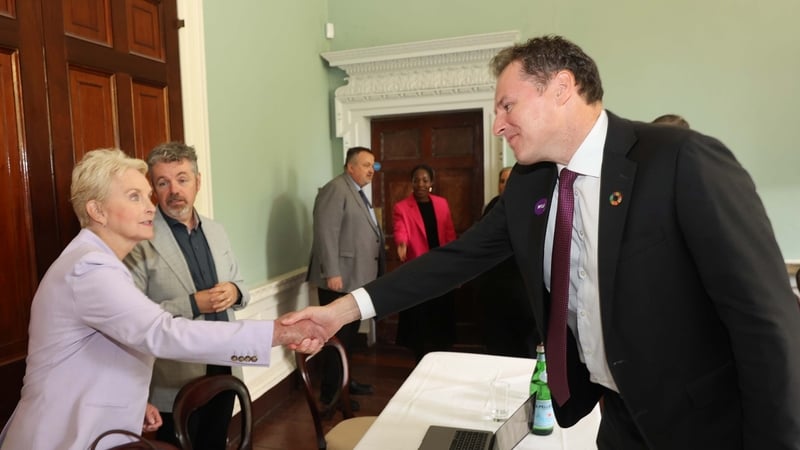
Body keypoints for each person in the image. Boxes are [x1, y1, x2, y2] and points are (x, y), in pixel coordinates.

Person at [285, 35, 800, 449]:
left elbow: (767, 321)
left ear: (561, 87)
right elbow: (454, 260)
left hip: (707, 425)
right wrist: (343, 311)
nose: (496, 125)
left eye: (507, 104)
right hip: (618, 422)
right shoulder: (531, 186)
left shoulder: (680, 160)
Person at [0, 149, 324, 450]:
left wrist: (133, 398)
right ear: (97, 210)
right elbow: (161, 332)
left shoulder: (99, 261)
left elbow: (99, 351)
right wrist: (278, 332)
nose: (150, 206)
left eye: (146, 195)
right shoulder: (89, 268)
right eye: (134, 196)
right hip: (61, 434)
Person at [123, 142, 248, 447]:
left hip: (226, 363)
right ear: (154, 188)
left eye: (182, 179)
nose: (174, 190)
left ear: (198, 182)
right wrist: (193, 304)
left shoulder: (217, 230)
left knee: (216, 442)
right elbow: (134, 317)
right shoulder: (140, 240)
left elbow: (241, 284)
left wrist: (234, 291)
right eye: (163, 183)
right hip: (176, 376)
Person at [306, 146, 384, 408]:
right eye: (365, 165)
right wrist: (332, 272)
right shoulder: (336, 189)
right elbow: (326, 232)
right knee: (336, 339)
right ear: (350, 167)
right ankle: (332, 395)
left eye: (373, 165)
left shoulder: (358, 193)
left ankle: (345, 383)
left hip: (356, 277)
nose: (371, 170)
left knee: (349, 339)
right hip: (339, 279)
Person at [393, 164, 457, 361]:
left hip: (440, 267)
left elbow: (449, 233)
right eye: (416, 180)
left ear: (431, 183)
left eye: (425, 180)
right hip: (418, 269)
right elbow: (400, 228)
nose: (420, 184)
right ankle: (419, 356)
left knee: (440, 312)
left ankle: (441, 354)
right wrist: (401, 242)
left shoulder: (441, 204)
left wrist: (454, 261)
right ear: (411, 183)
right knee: (418, 315)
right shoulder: (402, 207)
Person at [478, 167, 540, 357]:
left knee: (526, 346)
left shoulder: (535, 206)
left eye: (509, 180)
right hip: (495, 288)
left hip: (523, 287)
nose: (505, 184)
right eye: (502, 180)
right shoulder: (492, 207)